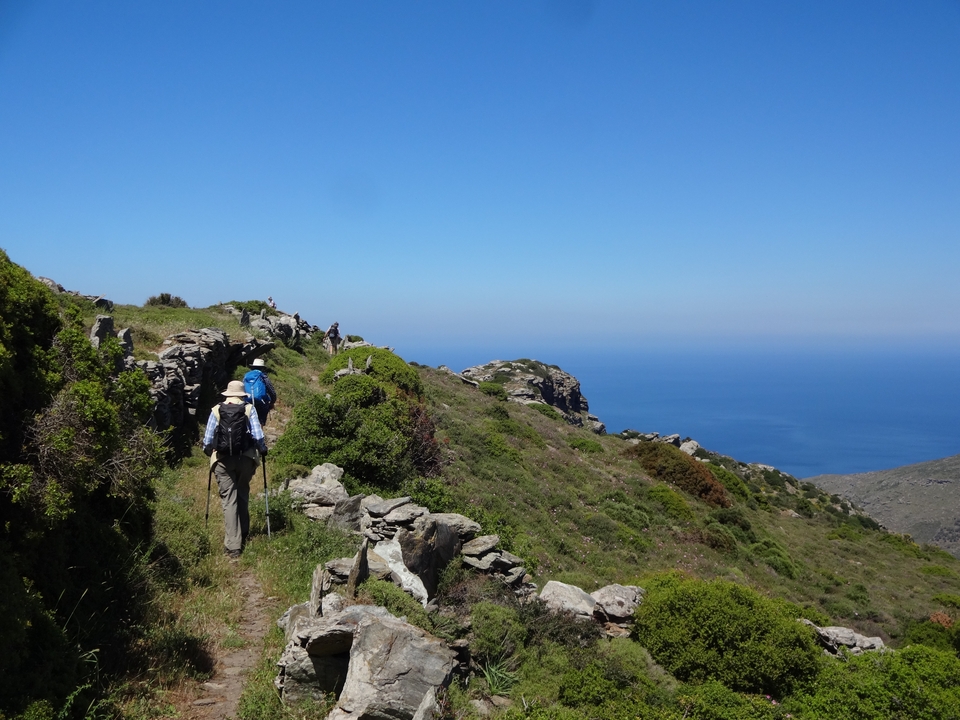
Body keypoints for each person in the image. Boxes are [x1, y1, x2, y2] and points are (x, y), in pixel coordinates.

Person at [202, 380, 267, 559]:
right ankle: (244, 532)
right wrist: (262, 449)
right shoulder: (248, 409)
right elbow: (257, 435)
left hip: (222, 460)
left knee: (229, 500)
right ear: (242, 394)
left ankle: (233, 545)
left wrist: (209, 452)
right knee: (242, 493)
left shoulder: (216, 410)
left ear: (227, 394)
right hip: (245, 458)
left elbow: (207, 440)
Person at [244, 357, 277, 425]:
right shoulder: (263, 376)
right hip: (261, 402)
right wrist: (272, 402)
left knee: (248, 419)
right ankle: (259, 433)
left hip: (247, 401)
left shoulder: (246, 376)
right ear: (262, 368)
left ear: (253, 367)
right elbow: (271, 391)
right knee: (260, 421)